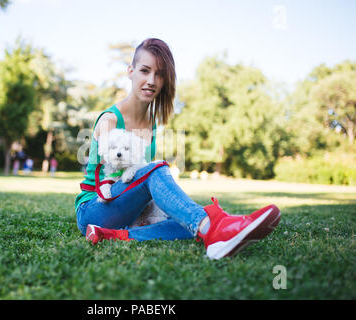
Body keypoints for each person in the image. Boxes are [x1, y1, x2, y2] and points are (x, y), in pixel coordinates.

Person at [74, 38, 280, 260]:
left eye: (160, 74)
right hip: (95, 208)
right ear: (130, 71)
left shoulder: (151, 124)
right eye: (145, 70)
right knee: (157, 170)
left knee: (183, 216)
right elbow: (113, 174)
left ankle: (113, 235)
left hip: (126, 210)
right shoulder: (110, 120)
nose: (152, 80)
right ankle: (216, 229)